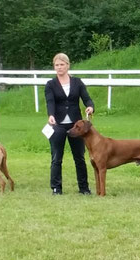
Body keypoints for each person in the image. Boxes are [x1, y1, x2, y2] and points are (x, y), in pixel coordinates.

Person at [45, 53, 94, 195]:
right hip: (58, 124)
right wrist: (51, 115)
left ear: (68, 65)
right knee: (56, 158)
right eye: (56, 65)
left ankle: (84, 188)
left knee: (79, 157)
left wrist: (90, 106)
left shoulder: (77, 82)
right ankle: (56, 188)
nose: (59, 67)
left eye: (62, 64)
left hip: (76, 126)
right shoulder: (50, 84)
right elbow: (50, 102)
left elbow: (87, 99)